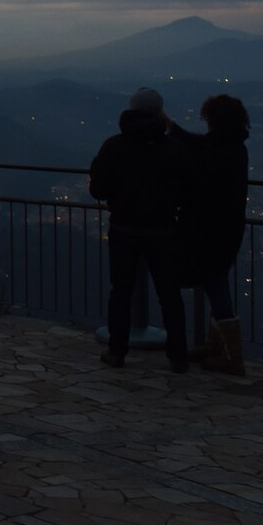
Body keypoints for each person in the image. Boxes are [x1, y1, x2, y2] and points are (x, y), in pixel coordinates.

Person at [88, 87, 190, 371]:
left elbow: (98, 189)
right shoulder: (174, 149)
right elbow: (186, 191)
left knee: (120, 291)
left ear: (131, 109)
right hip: (164, 230)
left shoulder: (114, 146)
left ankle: (117, 352)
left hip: (123, 228)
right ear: (160, 112)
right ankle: (179, 356)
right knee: (169, 294)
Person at [171, 94, 250, 375]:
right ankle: (216, 345)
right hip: (228, 228)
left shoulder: (220, 148)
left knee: (216, 285)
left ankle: (232, 357)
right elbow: (200, 145)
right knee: (216, 281)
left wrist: (170, 127)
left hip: (212, 229)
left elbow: (198, 148)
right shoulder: (234, 146)